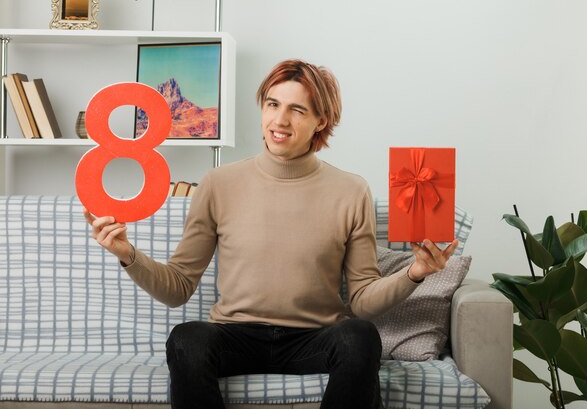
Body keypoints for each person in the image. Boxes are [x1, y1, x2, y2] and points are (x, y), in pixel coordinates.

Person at [84, 59, 458, 409]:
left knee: (360, 336)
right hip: (235, 337)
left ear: (320, 121)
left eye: (297, 109)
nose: (280, 120)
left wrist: (414, 273)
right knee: (186, 339)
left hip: (315, 338)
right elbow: (178, 287)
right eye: (272, 104)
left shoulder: (350, 190)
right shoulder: (218, 183)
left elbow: (361, 300)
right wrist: (127, 254)